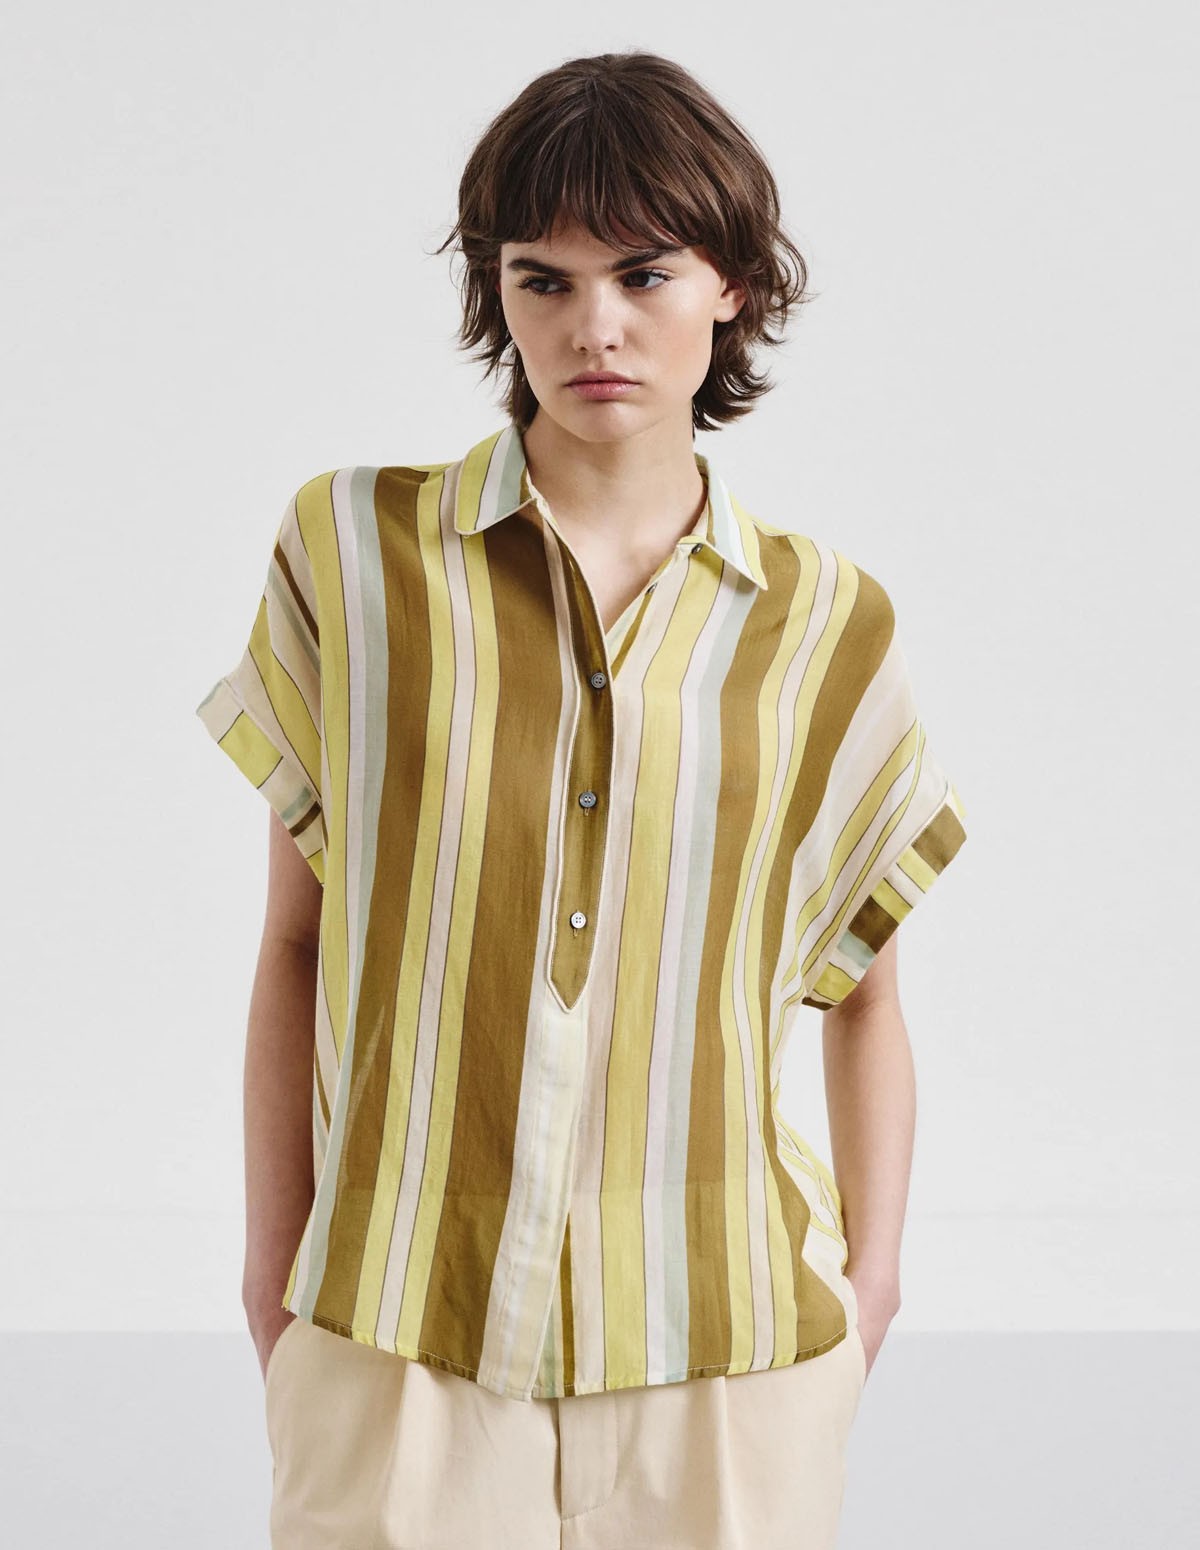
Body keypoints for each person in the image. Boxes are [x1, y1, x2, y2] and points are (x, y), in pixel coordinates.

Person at [195, 48, 968, 1550]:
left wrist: (871, 1288)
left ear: (733, 283)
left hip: (731, 1347)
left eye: (643, 273)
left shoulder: (824, 621)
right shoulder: (352, 555)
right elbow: (295, 943)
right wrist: (272, 1275)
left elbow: (864, 994)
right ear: (497, 295)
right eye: (541, 280)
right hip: (399, 1329)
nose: (592, 326)